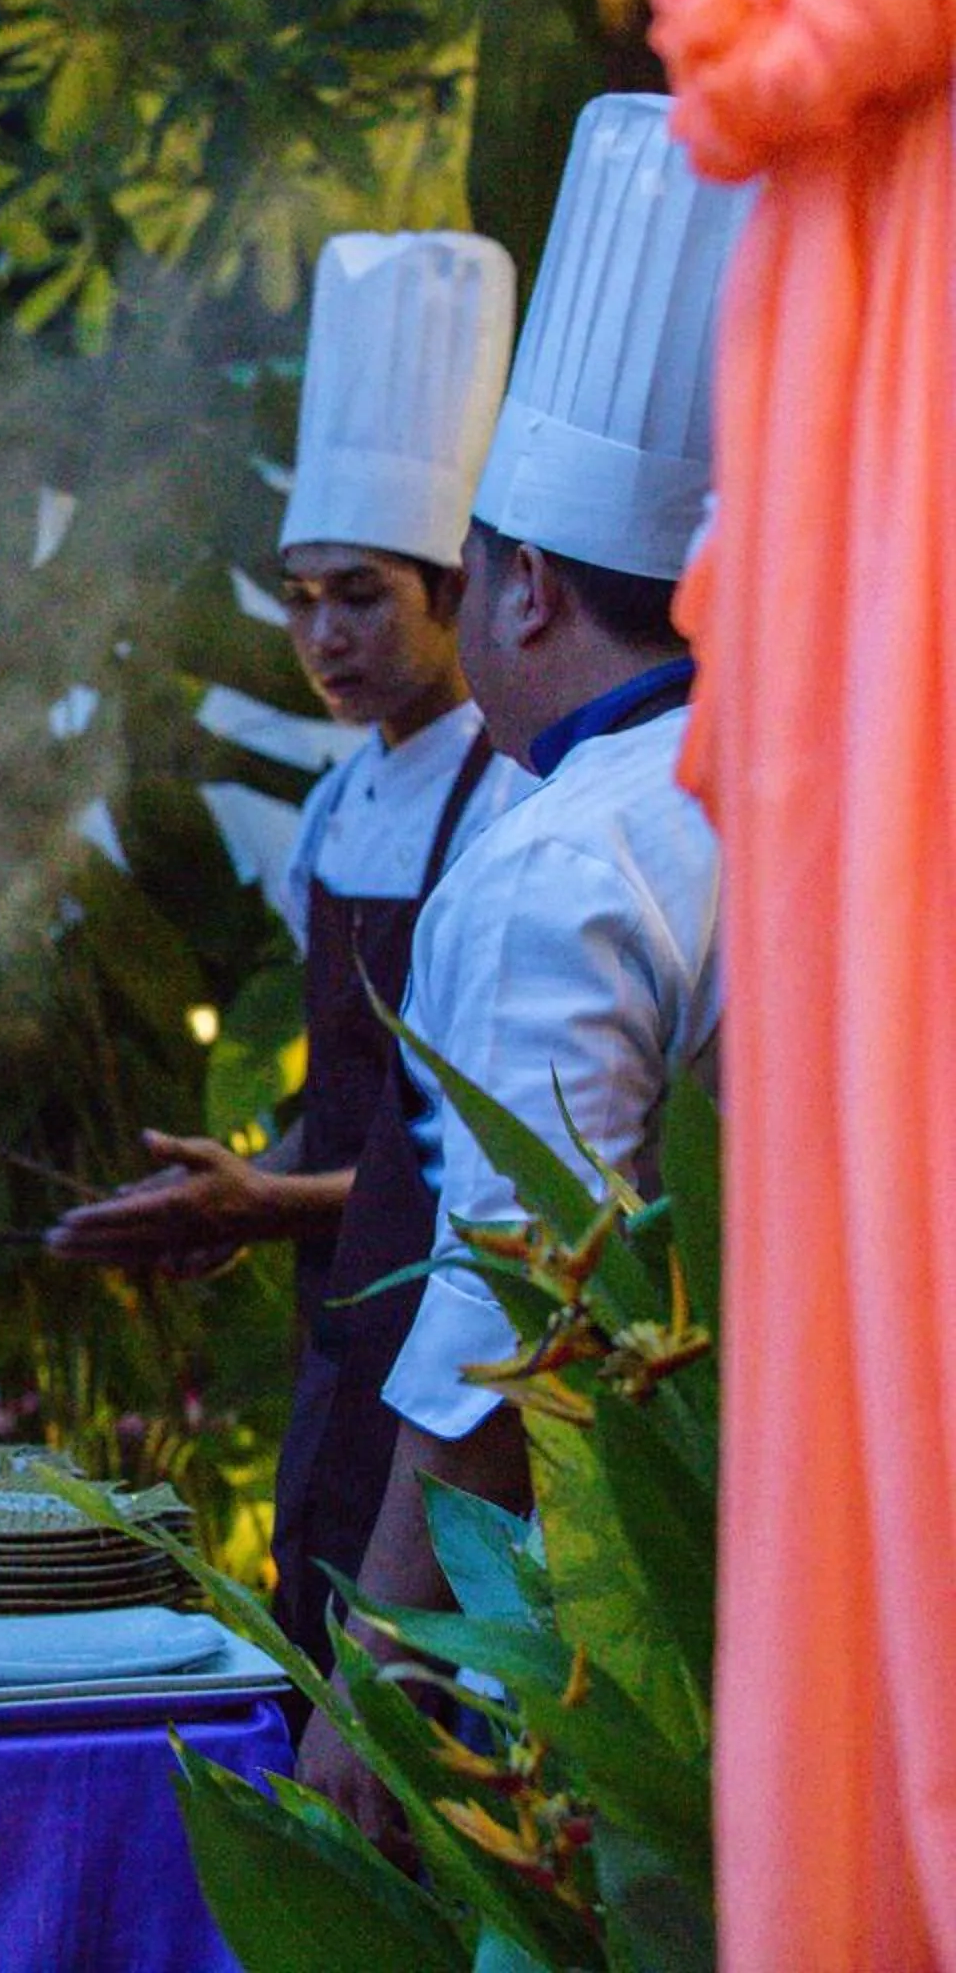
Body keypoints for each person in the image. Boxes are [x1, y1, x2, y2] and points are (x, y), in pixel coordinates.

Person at [293, 94, 752, 1837]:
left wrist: (387, 1656)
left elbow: (524, 1292)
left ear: (519, 589)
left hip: (629, 1587)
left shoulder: (565, 852)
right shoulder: (789, 787)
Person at [45, 232, 530, 1670]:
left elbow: (477, 1167)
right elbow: (357, 1106)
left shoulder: (511, 803)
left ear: (464, 588)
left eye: (363, 595)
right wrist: (244, 1196)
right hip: (343, 1329)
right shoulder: (339, 805)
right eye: (300, 596)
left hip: (468, 1347)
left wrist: (267, 1202)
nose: (323, 634)